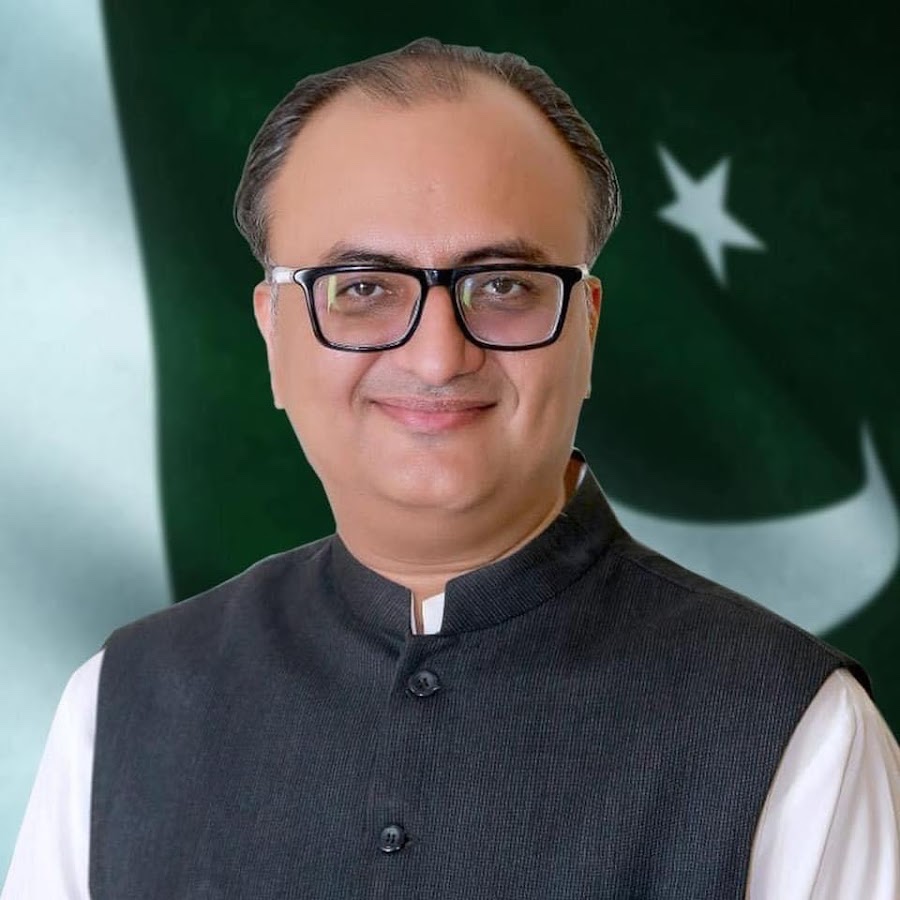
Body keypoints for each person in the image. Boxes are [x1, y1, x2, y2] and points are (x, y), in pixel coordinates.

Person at [4, 37, 899, 900]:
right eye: (362, 288)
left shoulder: (798, 731)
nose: (437, 358)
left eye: (504, 285)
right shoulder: (119, 709)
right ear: (274, 336)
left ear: (586, 327)